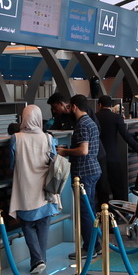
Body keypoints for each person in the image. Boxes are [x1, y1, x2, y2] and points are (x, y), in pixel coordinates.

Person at [9, 105, 61, 275]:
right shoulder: (47, 137)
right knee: (43, 223)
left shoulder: (16, 138)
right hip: (44, 187)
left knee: (27, 223)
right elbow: (53, 159)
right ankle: (40, 259)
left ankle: (37, 260)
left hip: (24, 187)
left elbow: (12, 164)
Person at [57, 94, 102, 258]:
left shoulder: (82, 124)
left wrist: (64, 151)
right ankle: (96, 245)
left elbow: (83, 150)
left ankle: (88, 248)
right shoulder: (91, 121)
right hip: (93, 170)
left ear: (74, 106)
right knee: (90, 209)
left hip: (84, 172)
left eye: (69, 107)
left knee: (85, 211)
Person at [95, 95, 138, 201]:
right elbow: (126, 136)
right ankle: (120, 212)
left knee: (101, 188)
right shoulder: (116, 117)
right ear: (111, 106)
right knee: (118, 187)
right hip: (113, 157)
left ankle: (103, 213)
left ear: (99, 105)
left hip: (98, 157)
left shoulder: (95, 117)